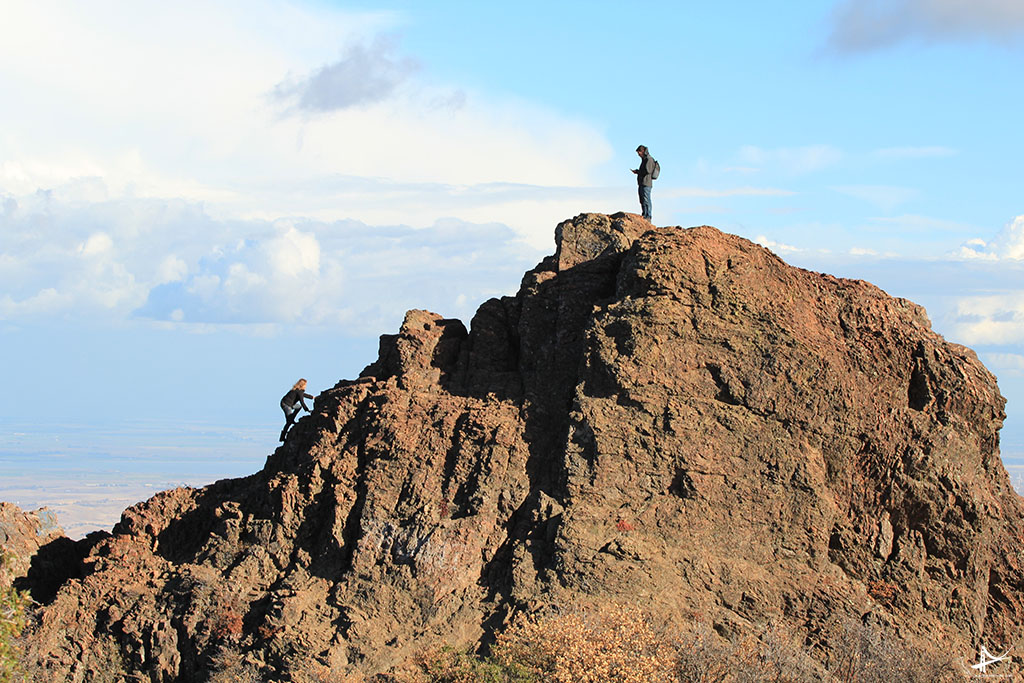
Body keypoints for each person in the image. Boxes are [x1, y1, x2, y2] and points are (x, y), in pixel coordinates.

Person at [631, 145, 655, 221]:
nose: (638, 154)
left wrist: (638, 172)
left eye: (639, 152)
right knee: (642, 199)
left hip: (646, 183)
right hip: (642, 183)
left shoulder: (649, 159)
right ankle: (644, 214)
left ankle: (648, 216)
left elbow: (648, 171)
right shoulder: (645, 159)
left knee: (646, 199)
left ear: (642, 151)